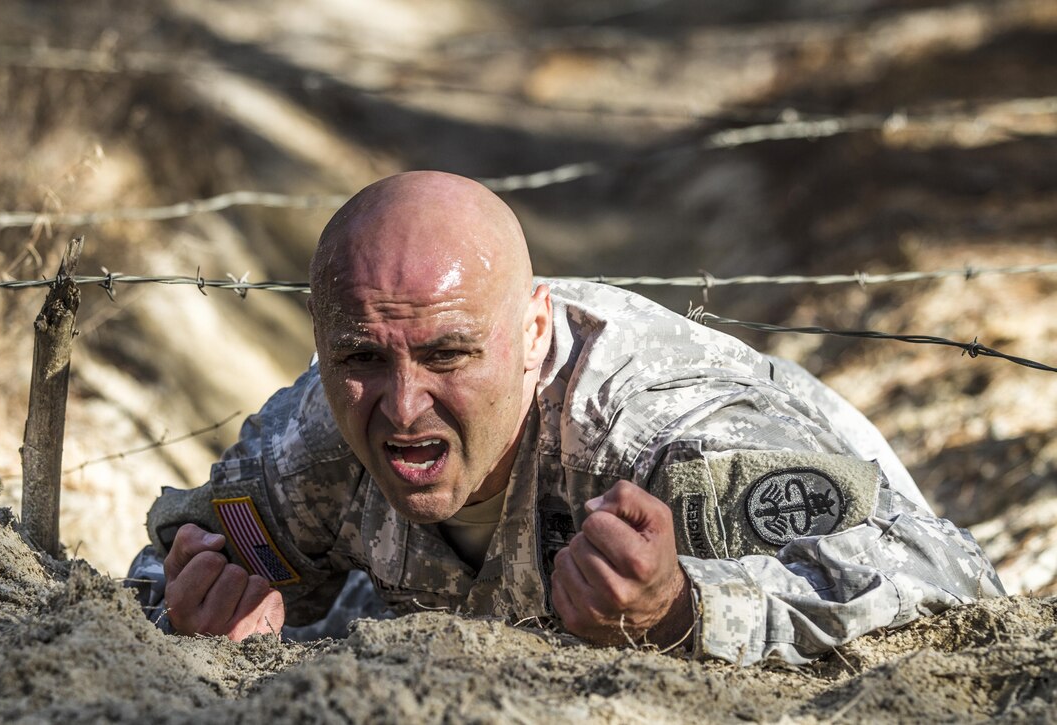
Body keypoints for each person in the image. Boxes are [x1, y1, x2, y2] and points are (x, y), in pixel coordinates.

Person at [128, 170, 1004, 665]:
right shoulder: (318, 432)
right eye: (358, 357)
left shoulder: (658, 434)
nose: (401, 408)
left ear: (533, 331)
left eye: (448, 355)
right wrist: (201, 617)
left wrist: (685, 612)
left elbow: (947, 584)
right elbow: (159, 575)